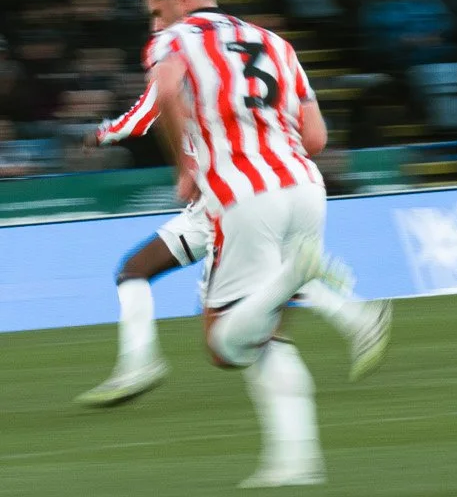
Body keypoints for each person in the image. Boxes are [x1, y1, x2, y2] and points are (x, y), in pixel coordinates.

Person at [136, 0, 392, 485]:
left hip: (242, 196)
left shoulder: (174, 40)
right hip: (305, 187)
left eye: (158, 12)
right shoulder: (276, 43)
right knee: (269, 337)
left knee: (225, 346)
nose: (156, 25)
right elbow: (316, 137)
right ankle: (295, 463)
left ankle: (295, 275)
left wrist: (186, 164)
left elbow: (164, 91)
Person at [77, 32, 386, 408]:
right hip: (239, 195)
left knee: (222, 317)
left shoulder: (179, 60)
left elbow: (147, 111)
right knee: (153, 273)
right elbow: (313, 136)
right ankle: (355, 317)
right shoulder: (238, 68)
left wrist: (100, 134)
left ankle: (141, 365)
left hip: (225, 201)